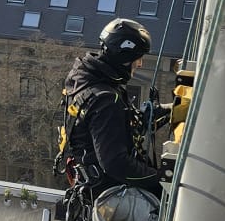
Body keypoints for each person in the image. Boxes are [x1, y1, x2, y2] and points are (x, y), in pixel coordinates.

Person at [60, 18, 161, 192]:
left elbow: (122, 125)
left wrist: (169, 111)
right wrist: (162, 180)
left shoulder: (85, 78)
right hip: (111, 194)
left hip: (88, 187)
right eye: (138, 58)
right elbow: (116, 164)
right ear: (125, 57)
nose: (140, 63)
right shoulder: (106, 100)